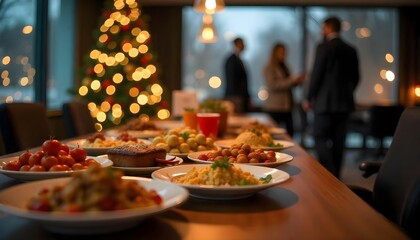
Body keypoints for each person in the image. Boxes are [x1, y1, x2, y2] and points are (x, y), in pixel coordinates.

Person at [303, 16, 360, 178]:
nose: (322, 31)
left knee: (319, 136)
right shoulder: (351, 49)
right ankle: (337, 175)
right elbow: (356, 77)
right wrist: (347, 93)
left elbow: (317, 74)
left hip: (324, 103)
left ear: (328, 28)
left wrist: (309, 97)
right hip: (345, 104)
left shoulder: (323, 47)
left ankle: (329, 172)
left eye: (323, 28)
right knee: (339, 142)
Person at [263, 43, 305, 137]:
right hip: (275, 107)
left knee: (290, 134)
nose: (284, 54)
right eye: (281, 52)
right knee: (273, 135)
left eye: (284, 52)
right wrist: (291, 80)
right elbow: (273, 85)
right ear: (275, 53)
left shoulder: (285, 66)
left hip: (287, 106)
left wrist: (297, 81)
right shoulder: (270, 67)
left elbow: (287, 84)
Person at [224, 37, 250, 113]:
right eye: (242, 44)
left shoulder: (239, 60)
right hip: (235, 97)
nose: (244, 46)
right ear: (237, 44)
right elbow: (232, 80)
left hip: (239, 97)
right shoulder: (231, 60)